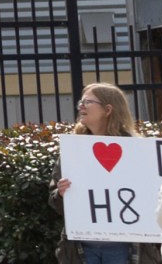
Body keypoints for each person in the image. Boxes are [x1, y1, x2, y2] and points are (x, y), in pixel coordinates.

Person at [54, 83, 154, 264]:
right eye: (81, 102)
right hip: (81, 247)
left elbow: (153, 197)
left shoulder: (137, 149)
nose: (81, 106)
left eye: (88, 102)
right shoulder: (73, 149)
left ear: (108, 110)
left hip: (124, 247)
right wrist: (60, 194)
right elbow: (55, 202)